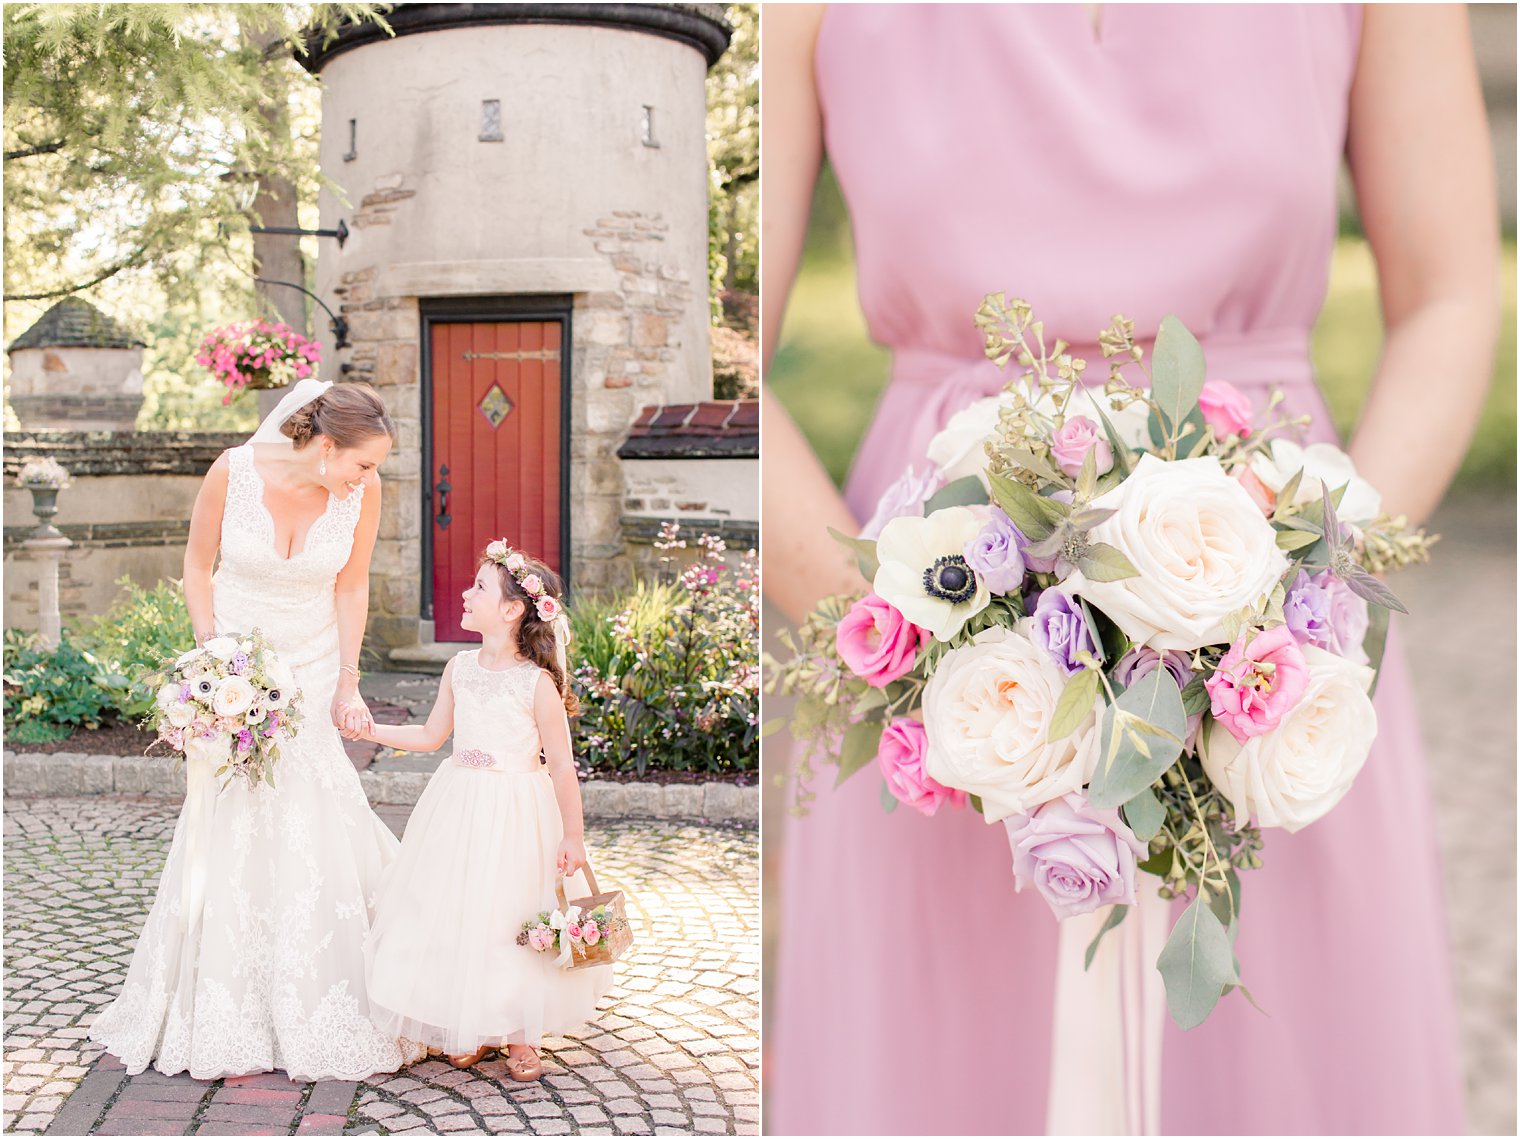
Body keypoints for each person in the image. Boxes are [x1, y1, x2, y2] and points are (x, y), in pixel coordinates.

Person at [762, 4, 1498, 1134]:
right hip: (944, 622)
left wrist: (1308, 598)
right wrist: (913, 646)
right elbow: (716, 350)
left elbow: (1448, 295)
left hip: (1273, 631)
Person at [90, 378, 426, 1080]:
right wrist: (211, 655)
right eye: (362, 463)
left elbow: (352, 586)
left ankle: (325, 989)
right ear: (327, 445)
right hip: (237, 673)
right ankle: (226, 1001)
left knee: (318, 816)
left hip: (308, 667)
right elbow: (196, 563)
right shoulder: (232, 472)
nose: (370, 478)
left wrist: (347, 678)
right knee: (229, 820)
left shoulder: (361, 496)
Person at [361, 544, 611, 1081]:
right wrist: (371, 729)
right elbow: (432, 736)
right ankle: (469, 1023)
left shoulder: (536, 683)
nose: (465, 594)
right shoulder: (459, 668)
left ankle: (521, 1035)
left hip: (520, 806)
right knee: (458, 909)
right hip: (460, 802)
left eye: (478, 588)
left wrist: (573, 836)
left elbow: (563, 767)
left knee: (515, 914)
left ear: (513, 610)